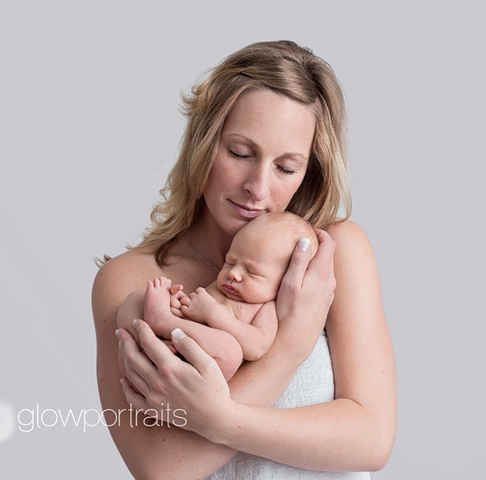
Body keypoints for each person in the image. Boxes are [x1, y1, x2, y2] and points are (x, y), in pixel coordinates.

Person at [92, 40, 396, 479]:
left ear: (310, 170)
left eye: (286, 168)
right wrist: (291, 344)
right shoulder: (132, 280)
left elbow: (371, 439)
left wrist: (219, 419)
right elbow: (162, 467)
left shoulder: (331, 255)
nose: (258, 187)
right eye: (240, 153)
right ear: (204, 144)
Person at [116, 212, 319, 381]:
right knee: (136, 299)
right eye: (230, 262)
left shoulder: (265, 307)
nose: (234, 274)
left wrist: (212, 313)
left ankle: (163, 322)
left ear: (284, 280)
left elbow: (257, 346)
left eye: (252, 272)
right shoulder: (223, 287)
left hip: (201, 367)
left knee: (231, 351)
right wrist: (176, 301)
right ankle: (154, 345)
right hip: (177, 340)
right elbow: (191, 308)